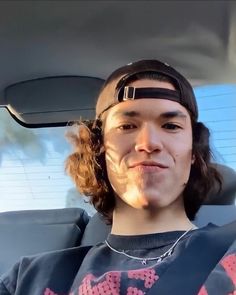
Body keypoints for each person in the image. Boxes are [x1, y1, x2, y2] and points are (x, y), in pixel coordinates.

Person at [0, 59, 236, 295]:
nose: (149, 143)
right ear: (99, 147)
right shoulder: (27, 278)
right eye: (127, 126)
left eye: (171, 126)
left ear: (194, 151)